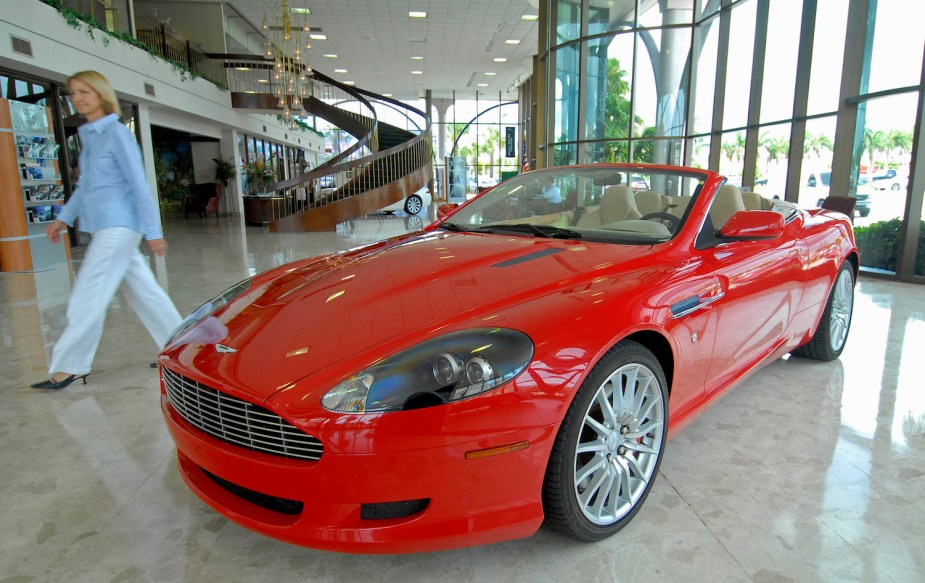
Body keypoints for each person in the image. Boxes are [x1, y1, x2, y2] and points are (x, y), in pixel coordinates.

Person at [30, 70, 182, 390]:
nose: (79, 98)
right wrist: (63, 218)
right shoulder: (90, 137)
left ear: (101, 94)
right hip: (105, 227)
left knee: (88, 295)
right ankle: (181, 350)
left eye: (86, 91)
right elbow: (86, 189)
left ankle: (68, 366)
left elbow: (139, 185)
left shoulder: (116, 134)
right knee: (147, 295)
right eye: (74, 93)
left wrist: (153, 231)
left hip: (119, 227)